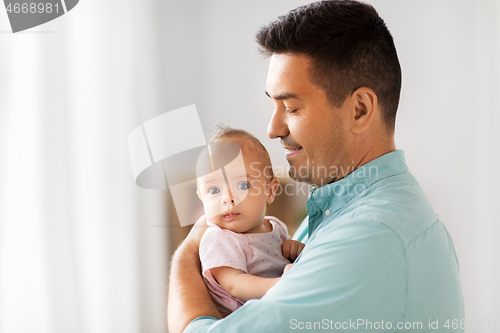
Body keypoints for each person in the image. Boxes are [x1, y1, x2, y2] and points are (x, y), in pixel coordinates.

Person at [168, 1, 465, 332]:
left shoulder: (368, 237)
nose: (273, 129)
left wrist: (188, 253)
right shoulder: (340, 213)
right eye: (273, 105)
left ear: (360, 110)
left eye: (291, 108)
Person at [195, 126, 304, 317]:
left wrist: (293, 248)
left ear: (270, 191)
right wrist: (285, 284)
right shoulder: (219, 239)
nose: (227, 198)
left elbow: (280, 258)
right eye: (214, 190)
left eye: (243, 185)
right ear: (202, 198)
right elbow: (235, 285)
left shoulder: (275, 227)